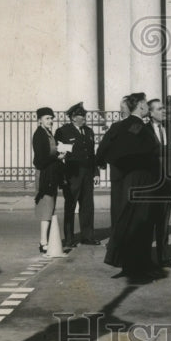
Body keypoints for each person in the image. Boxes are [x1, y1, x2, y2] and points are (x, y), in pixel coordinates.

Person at [102, 92, 160, 282]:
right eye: (144, 104)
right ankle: (138, 267)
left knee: (128, 221)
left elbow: (104, 151)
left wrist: (114, 166)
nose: (146, 107)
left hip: (126, 180)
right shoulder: (136, 125)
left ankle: (130, 265)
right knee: (141, 223)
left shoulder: (121, 126)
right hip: (141, 179)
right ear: (140, 106)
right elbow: (137, 148)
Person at [54, 102, 100, 249]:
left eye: (85, 115)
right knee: (70, 205)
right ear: (73, 117)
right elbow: (57, 152)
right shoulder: (63, 131)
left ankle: (88, 236)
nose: (84, 117)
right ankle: (69, 239)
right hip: (72, 173)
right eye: (82, 115)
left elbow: (92, 155)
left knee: (87, 205)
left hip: (87, 174)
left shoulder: (89, 131)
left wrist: (96, 173)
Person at [148, 98, 171, 269]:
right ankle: (145, 259)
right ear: (150, 112)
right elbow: (150, 153)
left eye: (164, 109)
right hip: (150, 183)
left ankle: (163, 257)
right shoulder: (144, 130)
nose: (164, 112)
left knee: (163, 220)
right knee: (147, 221)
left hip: (167, 182)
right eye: (160, 109)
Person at [32, 107, 65, 254]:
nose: (50, 121)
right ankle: (43, 241)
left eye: (51, 118)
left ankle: (47, 239)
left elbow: (50, 153)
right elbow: (40, 158)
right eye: (47, 118)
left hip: (51, 174)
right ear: (39, 120)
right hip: (45, 175)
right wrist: (56, 157)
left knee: (50, 206)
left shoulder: (48, 133)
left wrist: (59, 152)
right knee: (46, 206)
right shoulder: (39, 134)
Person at [96, 95, 131, 230]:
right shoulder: (139, 127)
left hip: (117, 171)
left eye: (122, 108)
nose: (120, 110)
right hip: (134, 172)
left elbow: (104, 146)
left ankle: (117, 234)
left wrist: (101, 161)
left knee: (117, 203)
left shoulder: (116, 127)